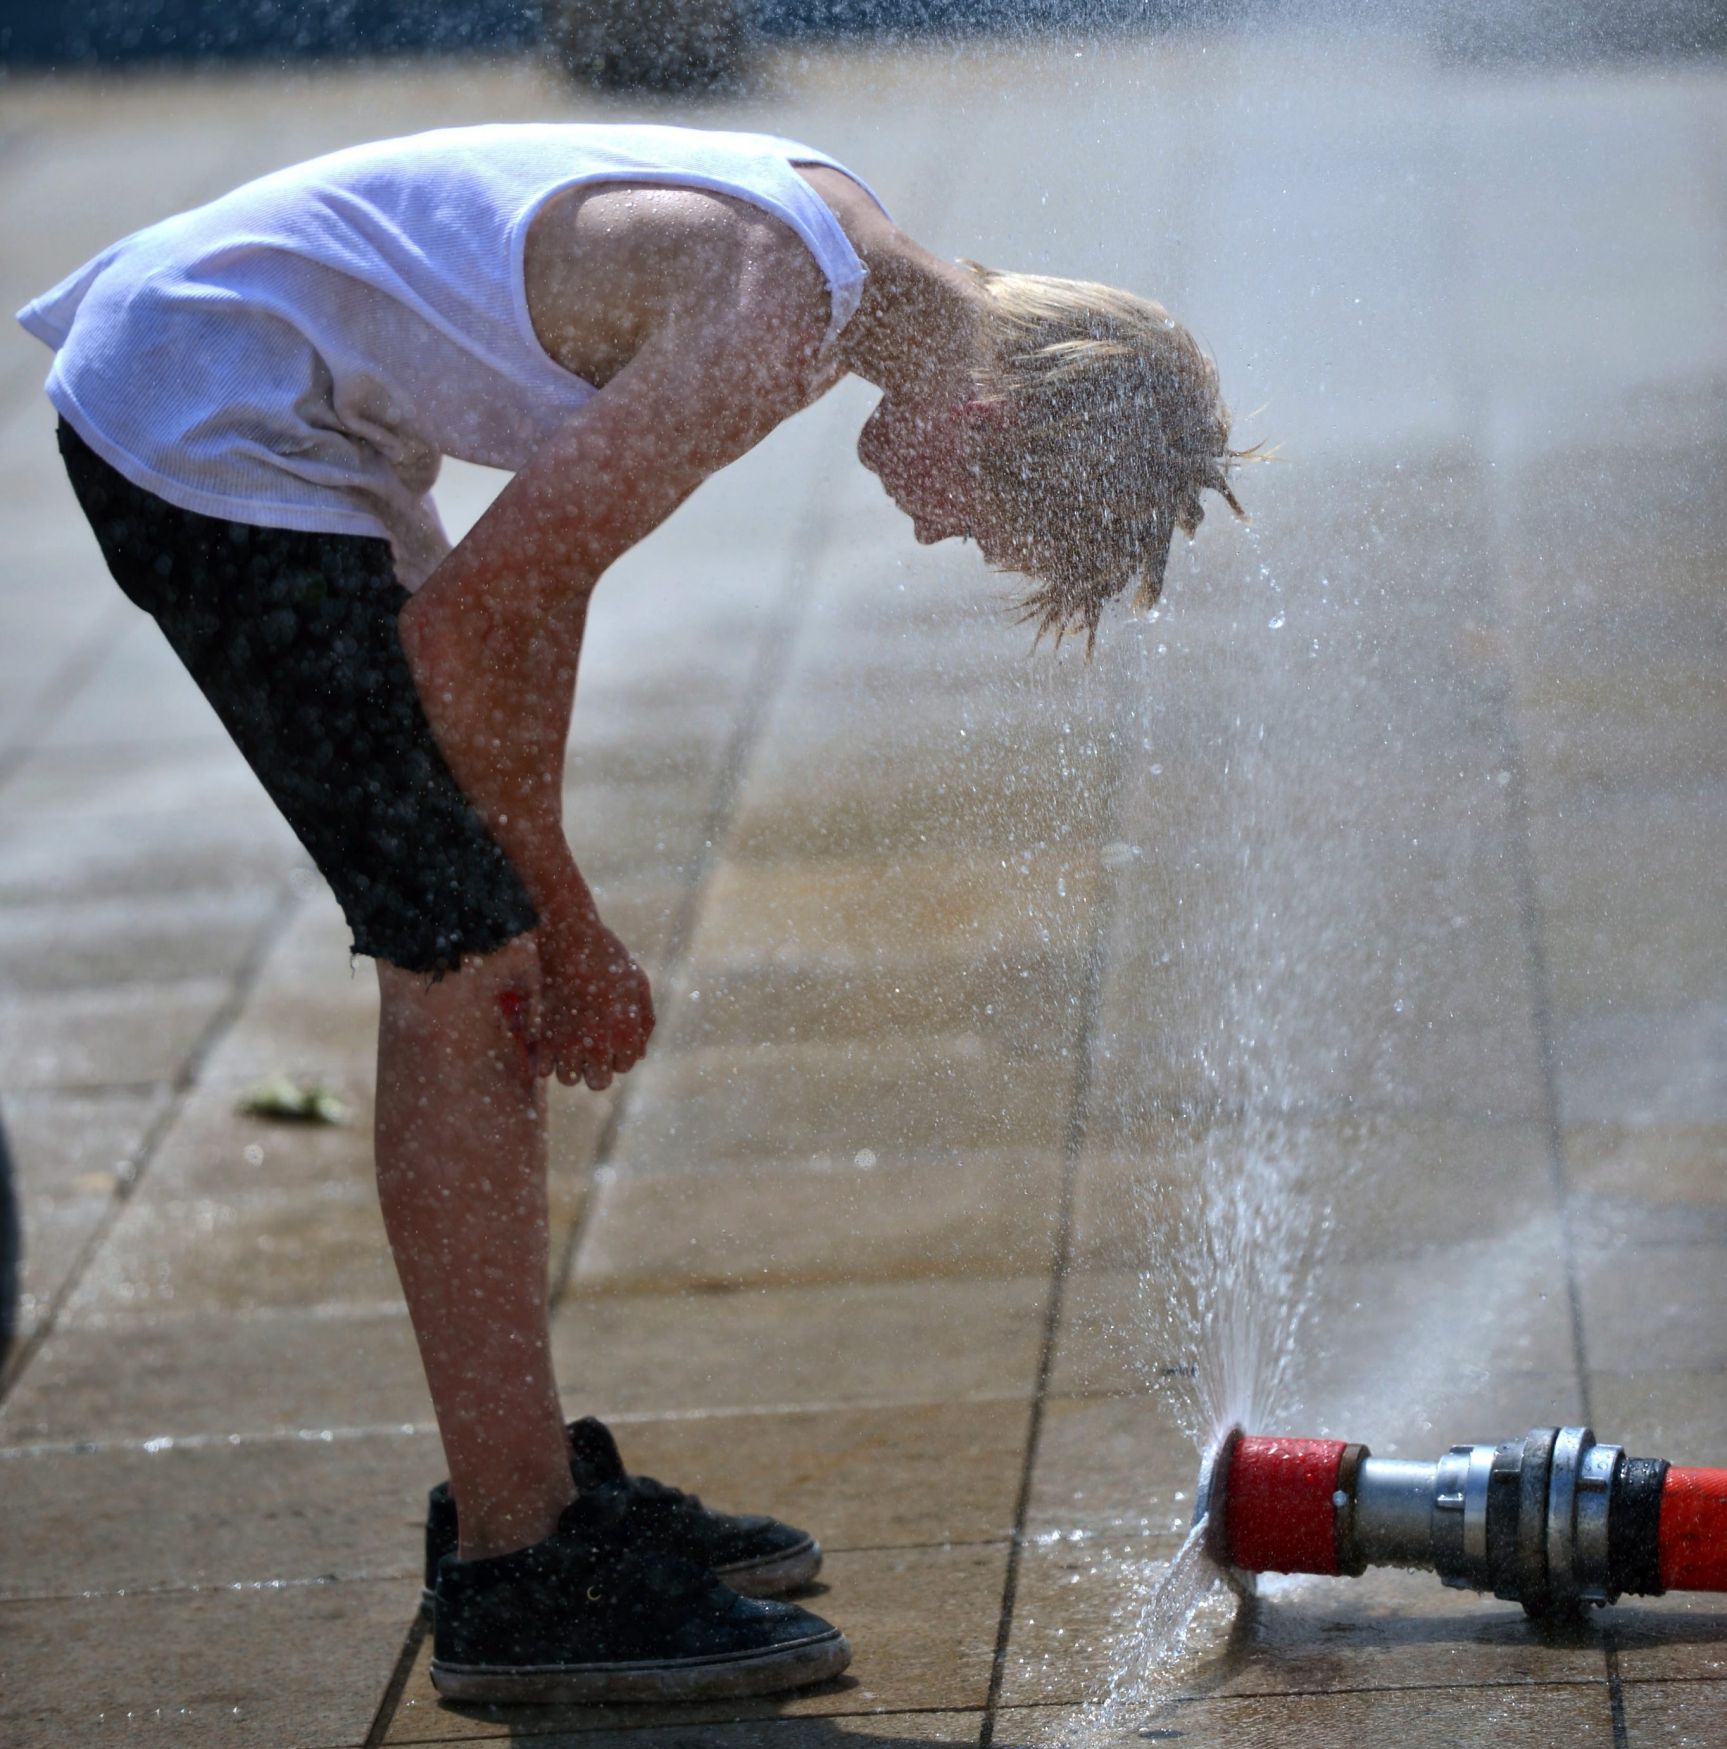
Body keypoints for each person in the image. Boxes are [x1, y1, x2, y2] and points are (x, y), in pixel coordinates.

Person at [16, 121, 1243, 1705]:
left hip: (267, 394)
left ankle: (527, 1491)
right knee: (461, 966)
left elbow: (544, 587)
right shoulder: (774, 319)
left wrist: (550, 890)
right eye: (976, 524)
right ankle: (525, 1570)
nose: (936, 534)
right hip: (204, 414)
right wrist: (564, 909)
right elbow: (471, 626)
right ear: (989, 419)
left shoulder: (840, 248)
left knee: (480, 942)